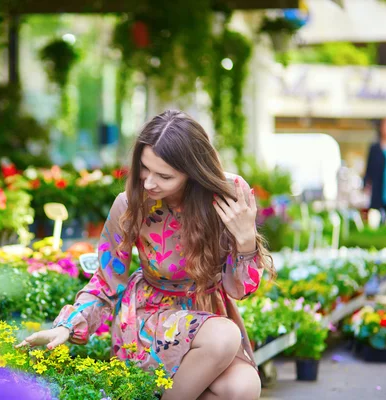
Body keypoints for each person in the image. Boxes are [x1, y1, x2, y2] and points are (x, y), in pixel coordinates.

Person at [17, 110, 274, 400]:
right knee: (224, 337)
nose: (149, 182)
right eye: (144, 168)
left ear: (194, 172)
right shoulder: (130, 204)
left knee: (243, 388)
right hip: (150, 321)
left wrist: (245, 241)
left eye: (164, 175)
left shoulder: (228, 194)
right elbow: (106, 281)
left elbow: (238, 290)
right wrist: (67, 326)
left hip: (210, 319)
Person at [364, 118, 386, 223]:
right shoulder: (375, 148)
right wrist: (366, 185)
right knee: (380, 218)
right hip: (381, 190)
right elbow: (369, 170)